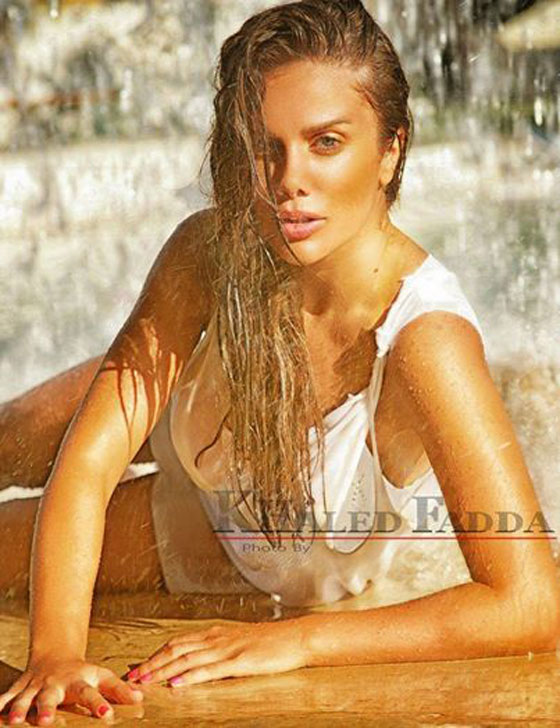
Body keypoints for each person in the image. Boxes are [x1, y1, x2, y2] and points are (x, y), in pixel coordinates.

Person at [1, 0, 559, 724]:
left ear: (390, 150)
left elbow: (529, 599)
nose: (289, 179)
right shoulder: (209, 254)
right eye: (265, 147)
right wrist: (54, 655)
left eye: (326, 142)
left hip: (216, 535)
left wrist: (296, 641)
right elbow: (89, 462)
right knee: (15, 434)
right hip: (207, 427)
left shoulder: (424, 338)